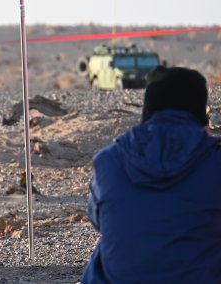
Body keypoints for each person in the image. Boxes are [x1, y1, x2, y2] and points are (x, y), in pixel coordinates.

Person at [81, 66, 221, 283]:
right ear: (200, 112)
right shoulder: (214, 159)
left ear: (148, 108)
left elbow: (98, 219)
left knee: (108, 247)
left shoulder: (109, 159)